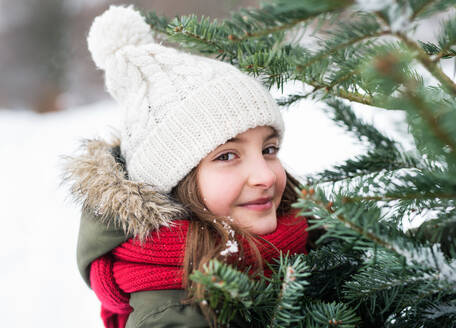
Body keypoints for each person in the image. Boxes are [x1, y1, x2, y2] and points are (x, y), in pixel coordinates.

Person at [62, 5, 313, 328]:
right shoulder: (171, 316)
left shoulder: (318, 239)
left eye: (269, 149)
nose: (265, 176)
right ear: (173, 183)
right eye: (226, 155)